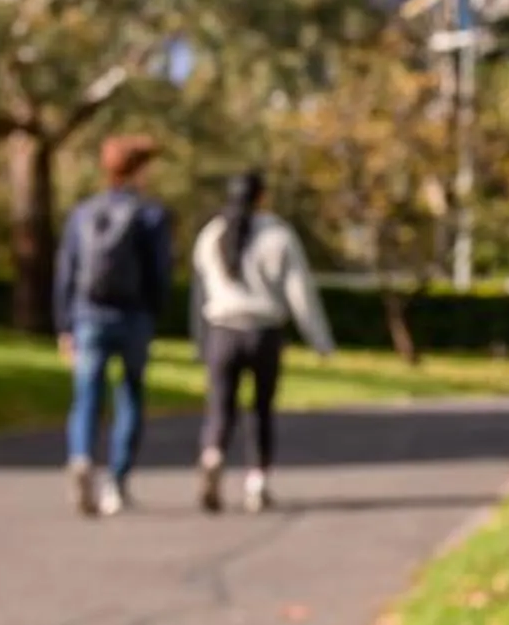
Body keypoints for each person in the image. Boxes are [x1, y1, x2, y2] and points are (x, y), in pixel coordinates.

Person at [190, 170, 334, 514]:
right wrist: (319, 340)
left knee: (220, 407)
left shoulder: (211, 234)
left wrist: (199, 339)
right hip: (264, 332)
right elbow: (299, 292)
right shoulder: (278, 235)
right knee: (261, 411)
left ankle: (213, 455)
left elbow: (199, 292)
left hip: (222, 329)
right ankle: (257, 482)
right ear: (262, 196)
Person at [55, 134, 174, 518]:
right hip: (133, 317)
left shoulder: (83, 213)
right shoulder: (150, 215)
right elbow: (160, 273)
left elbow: (67, 272)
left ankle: (81, 457)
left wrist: (65, 325)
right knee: (130, 395)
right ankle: (116, 482)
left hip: (88, 315)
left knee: (86, 396)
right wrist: (155, 313)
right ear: (140, 170)